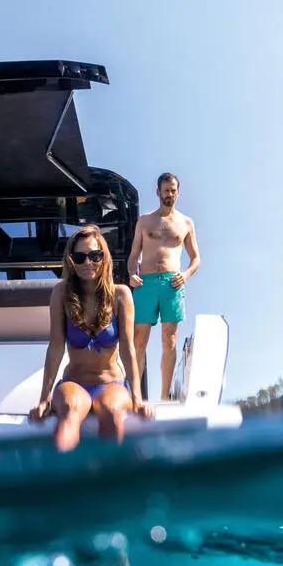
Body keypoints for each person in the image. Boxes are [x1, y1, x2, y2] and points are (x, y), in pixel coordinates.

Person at [29, 224, 148, 452]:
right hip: (74, 383)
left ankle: (109, 481)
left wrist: (138, 398)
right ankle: (63, 478)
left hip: (111, 383)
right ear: (71, 260)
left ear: (104, 257)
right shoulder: (61, 293)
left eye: (95, 256)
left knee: (112, 411)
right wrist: (44, 399)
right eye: (80, 257)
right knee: (70, 413)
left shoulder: (121, 295)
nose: (88, 263)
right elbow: (55, 347)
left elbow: (128, 349)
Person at [127, 172, 201, 401]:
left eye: (173, 190)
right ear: (157, 191)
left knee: (169, 340)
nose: (169, 194)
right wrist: (131, 274)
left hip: (172, 283)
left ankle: (164, 395)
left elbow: (196, 258)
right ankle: (135, 396)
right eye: (165, 190)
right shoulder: (144, 221)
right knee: (139, 341)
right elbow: (133, 255)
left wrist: (186, 274)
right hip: (146, 283)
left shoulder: (186, 223)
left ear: (178, 192)